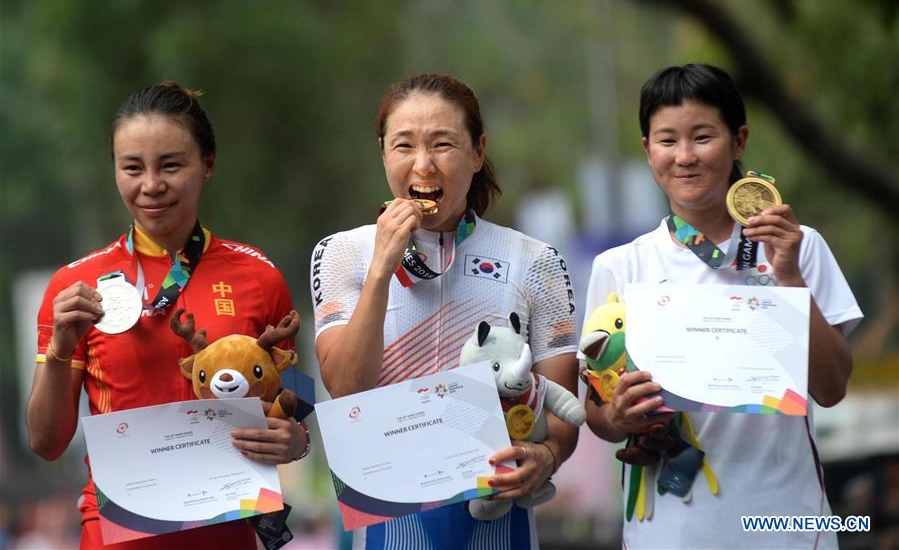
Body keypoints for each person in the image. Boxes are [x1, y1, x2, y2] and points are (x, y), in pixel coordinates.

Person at [583, 63, 863, 548]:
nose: (685, 156)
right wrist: (619, 418)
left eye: (703, 136)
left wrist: (788, 276)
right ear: (648, 152)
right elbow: (597, 414)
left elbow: (832, 387)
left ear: (739, 141)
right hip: (670, 530)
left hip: (786, 525)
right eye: (667, 141)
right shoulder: (620, 266)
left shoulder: (800, 247)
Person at [26, 81, 310, 550]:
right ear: (115, 170)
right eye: (132, 167)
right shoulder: (76, 288)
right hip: (116, 533)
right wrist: (59, 347)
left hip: (227, 530)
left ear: (209, 164)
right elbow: (46, 442)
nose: (151, 185)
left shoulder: (259, 276)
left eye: (171, 165)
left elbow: (298, 404)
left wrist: (295, 440)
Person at [311, 73, 579, 549]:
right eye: (404, 145)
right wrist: (380, 270)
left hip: (498, 520)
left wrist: (548, 454)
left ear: (478, 153)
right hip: (387, 520)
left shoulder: (534, 261)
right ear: (382, 153)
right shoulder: (342, 254)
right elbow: (346, 387)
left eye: (442, 144)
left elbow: (561, 413)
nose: (423, 165)